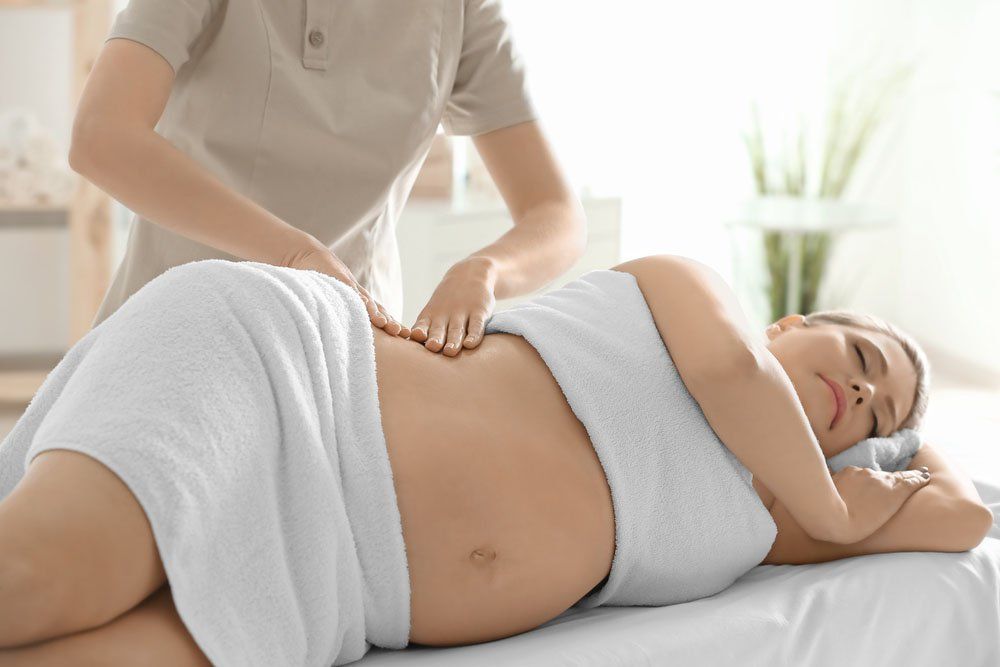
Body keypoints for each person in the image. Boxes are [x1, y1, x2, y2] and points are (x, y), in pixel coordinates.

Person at [0, 254, 991, 662]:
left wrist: (901, 434)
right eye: (857, 358)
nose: (859, 394)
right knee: (35, 580)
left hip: (322, 592)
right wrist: (834, 500)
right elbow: (737, 375)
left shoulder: (763, 519)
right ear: (791, 320)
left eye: (875, 413)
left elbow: (966, 518)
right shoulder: (693, 294)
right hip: (287, 385)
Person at [69, 0, 587, 355]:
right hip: (175, 332)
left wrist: (482, 271)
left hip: (343, 351)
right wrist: (295, 254)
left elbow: (557, 215)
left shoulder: (461, 10)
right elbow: (101, 136)